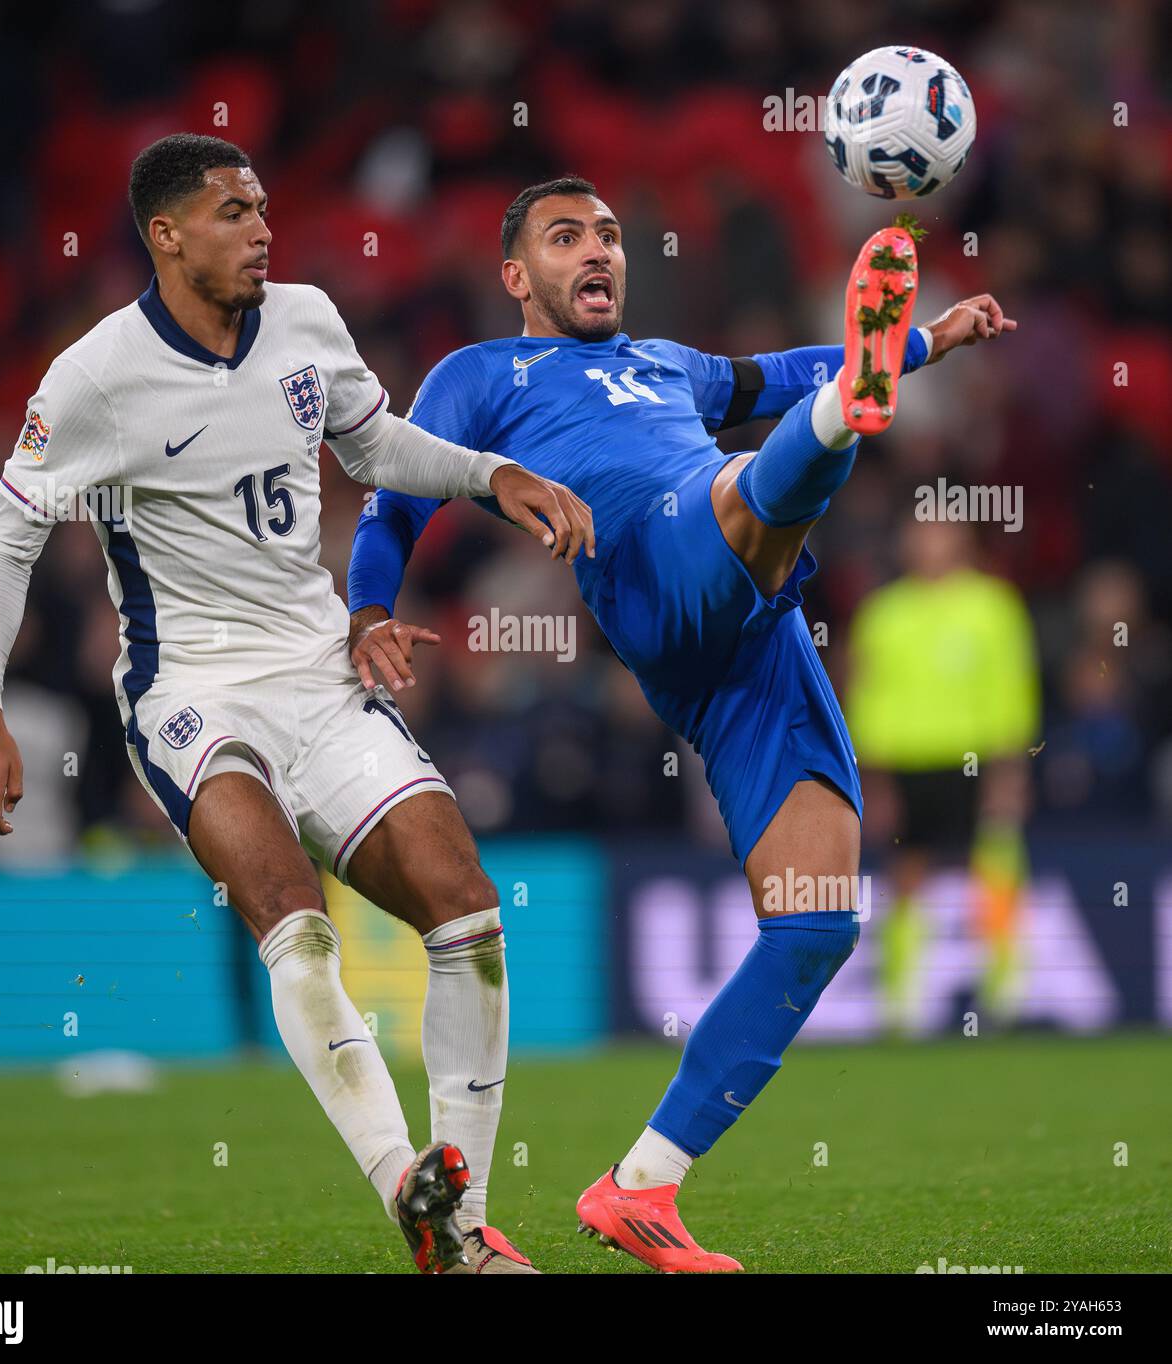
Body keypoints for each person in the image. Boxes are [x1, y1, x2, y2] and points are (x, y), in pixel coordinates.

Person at [0, 136, 596, 1276]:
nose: (260, 228)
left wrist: (487, 474)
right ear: (166, 235)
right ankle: (405, 1177)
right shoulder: (95, 377)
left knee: (468, 911)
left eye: (261, 206)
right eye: (231, 212)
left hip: (316, 670)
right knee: (293, 916)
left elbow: (374, 444)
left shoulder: (304, 320)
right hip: (190, 691)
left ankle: (463, 1234)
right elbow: (8, 541)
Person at [346, 175, 1015, 1271]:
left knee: (815, 920)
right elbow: (392, 498)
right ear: (516, 276)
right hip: (665, 577)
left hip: (755, 647)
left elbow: (776, 372)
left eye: (608, 234)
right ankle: (849, 418)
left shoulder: (667, 364)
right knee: (753, 487)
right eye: (565, 239)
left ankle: (641, 1182)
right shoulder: (479, 376)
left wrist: (929, 339)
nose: (597, 251)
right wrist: (370, 609)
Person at [847, 519, 1039, 1033]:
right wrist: (876, 779)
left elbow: (1011, 690)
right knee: (907, 873)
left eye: (939, 533)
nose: (929, 544)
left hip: (974, 758)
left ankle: (1006, 991)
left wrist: (1009, 769)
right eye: (920, 535)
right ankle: (902, 1000)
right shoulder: (884, 613)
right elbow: (868, 698)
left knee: (995, 866)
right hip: (908, 763)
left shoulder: (994, 607)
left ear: (962, 542)